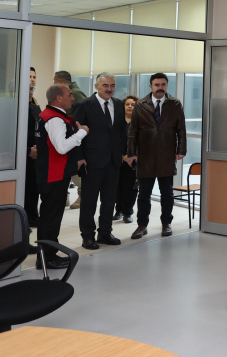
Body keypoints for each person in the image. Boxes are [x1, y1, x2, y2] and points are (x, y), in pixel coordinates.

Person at [127, 73, 186, 239]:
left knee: (167, 193)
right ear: (150, 86)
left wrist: (181, 150)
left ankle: (166, 223)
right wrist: (131, 153)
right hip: (145, 155)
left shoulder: (175, 104)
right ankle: (142, 225)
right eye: (157, 85)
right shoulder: (141, 105)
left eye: (163, 84)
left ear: (167, 85)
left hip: (167, 154)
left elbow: (181, 129)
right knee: (144, 194)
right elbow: (132, 132)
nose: (160, 88)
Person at [35, 84, 88, 270]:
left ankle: (47, 255)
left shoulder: (50, 115)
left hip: (52, 173)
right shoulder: (54, 118)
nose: (73, 98)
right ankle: (47, 258)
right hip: (53, 174)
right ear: (58, 98)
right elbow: (62, 147)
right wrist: (82, 132)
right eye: (69, 95)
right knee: (50, 218)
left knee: (50, 217)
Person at [74, 72, 127, 250]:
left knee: (109, 200)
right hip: (92, 160)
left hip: (113, 161)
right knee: (89, 201)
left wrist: (122, 152)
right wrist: (79, 157)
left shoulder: (118, 104)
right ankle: (87, 236)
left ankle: (105, 232)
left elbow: (121, 131)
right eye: (105, 85)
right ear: (96, 86)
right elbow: (77, 133)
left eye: (112, 85)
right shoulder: (84, 105)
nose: (109, 89)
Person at [53, 70, 87, 209]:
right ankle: (65, 196)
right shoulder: (64, 92)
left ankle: (82, 194)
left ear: (60, 80)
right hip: (65, 136)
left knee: (75, 170)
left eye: (55, 80)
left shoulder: (76, 93)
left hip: (74, 137)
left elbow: (82, 115)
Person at [114, 95, 140, 224]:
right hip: (117, 159)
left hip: (133, 161)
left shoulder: (140, 123)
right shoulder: (117, 122)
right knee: (117, 186)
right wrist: (120, 155)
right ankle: (118, 210)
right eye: (127, 104)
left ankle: (127, 212)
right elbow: (112, 140)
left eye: (133, 105)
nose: (130, 107)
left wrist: (132, 155)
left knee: (131, 188)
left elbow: (143, 142)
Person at [24, 84, 41, 228]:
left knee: (33, 188)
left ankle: (33, 216)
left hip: (35, 156)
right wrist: (27, 150)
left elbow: (41, 131)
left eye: (31, 89)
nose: (30, 92)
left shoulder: (35, 109)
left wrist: (39, 149)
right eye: (27, 89)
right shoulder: (12, 109)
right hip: (18, 158)